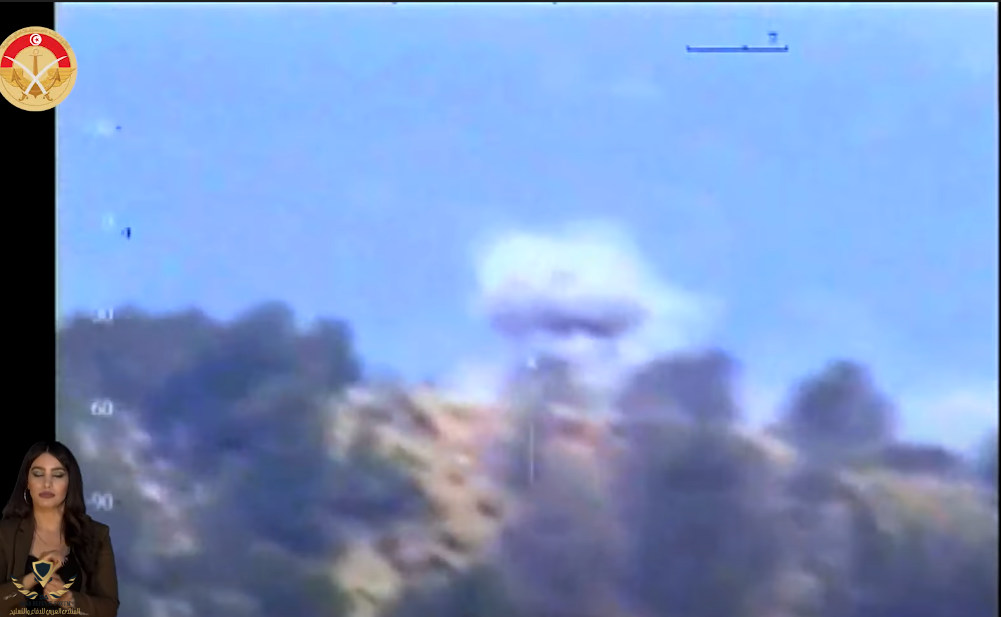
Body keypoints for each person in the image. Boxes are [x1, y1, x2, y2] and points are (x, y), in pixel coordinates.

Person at [0, 441, 119, 616]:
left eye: (57, 475)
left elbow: (109, 608)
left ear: (70, 482)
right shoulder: (5, 534)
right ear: (27, 482)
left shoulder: (97, 535)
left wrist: (68, 598)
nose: (47, 483)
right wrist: (33, 578)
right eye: (38, 474)